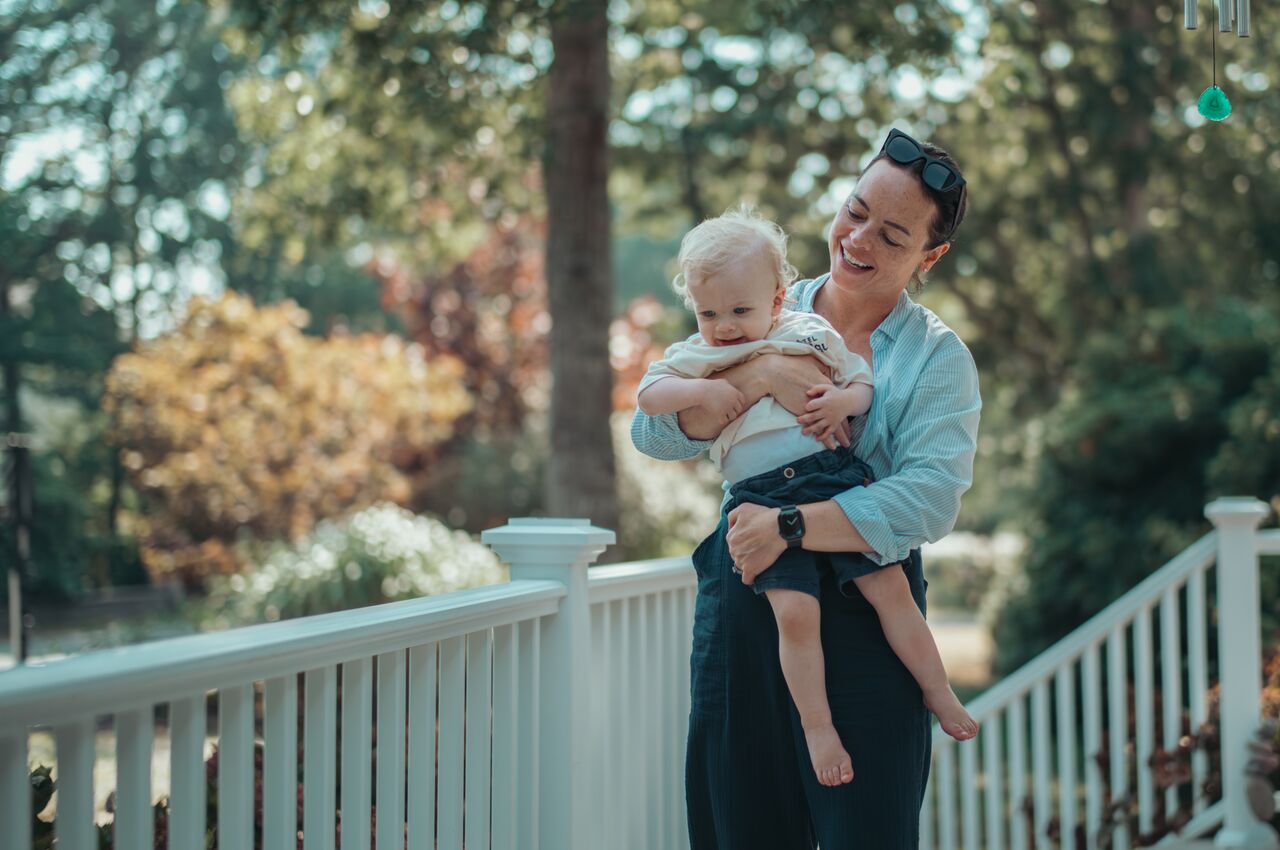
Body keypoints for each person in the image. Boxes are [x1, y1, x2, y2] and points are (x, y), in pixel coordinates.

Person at [631, 128, 981, 848]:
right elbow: (655, 434)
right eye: (855, 212)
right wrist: (755, 376)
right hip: (750, 596)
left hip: (867, 617)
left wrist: (792, 525)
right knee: (739, 826)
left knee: (867, 831)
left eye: (891, 234)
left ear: (929, 257)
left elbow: (929, 498)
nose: (859, 240)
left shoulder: (936, 358)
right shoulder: (751, 301)